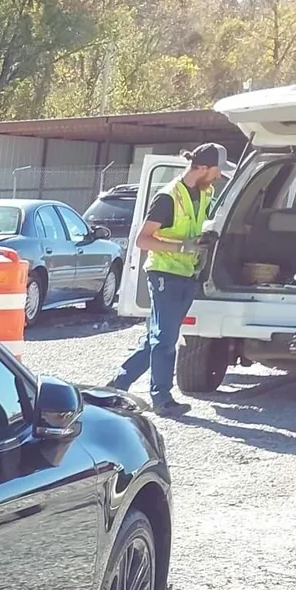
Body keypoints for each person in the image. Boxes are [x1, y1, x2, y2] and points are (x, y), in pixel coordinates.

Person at [110, 143, 227, 414]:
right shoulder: (168, 197)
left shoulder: (205, 192)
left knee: (157, 337)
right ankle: (161, 399)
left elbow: (196, 226)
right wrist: (183, 246)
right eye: (217, 170)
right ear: (202, 168)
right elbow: (142, 240)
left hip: (187, 274)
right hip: (165, 274)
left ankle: (118, 384)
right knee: (164, 339)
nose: (219, 176)